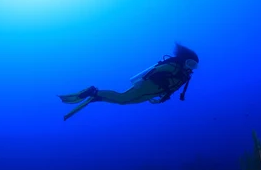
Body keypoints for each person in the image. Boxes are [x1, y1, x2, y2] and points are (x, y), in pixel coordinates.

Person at [59, 43, 199, 120]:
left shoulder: (185, 77)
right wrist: (142, 80)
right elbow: (155, 70)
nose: (190, 67)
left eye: (194, 65)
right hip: (147, 86)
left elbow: (174, 89)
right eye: (190, 63)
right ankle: (92, 91)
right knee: (123, 97)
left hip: (153, 93)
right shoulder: (173, 66)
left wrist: (163, 98)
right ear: (183, 60)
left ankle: (98, 97)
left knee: (124, 102)